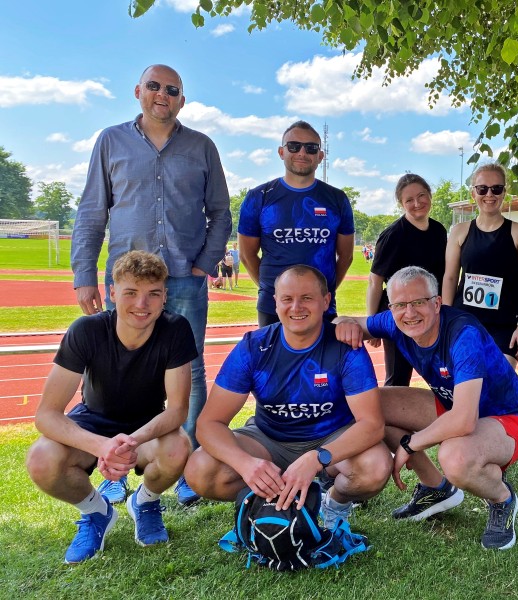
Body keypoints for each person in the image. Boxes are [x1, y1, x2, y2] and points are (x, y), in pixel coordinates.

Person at [71, 64, 232, 507]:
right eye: (155, 87)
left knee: (191, 371)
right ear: (139, 91)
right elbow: (91, 211)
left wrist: (204, 263)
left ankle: (184, 461)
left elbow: (221, 211)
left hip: (183, 277)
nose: (163, 94)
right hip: (124, 277)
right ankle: (113, 465)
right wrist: (84, 274)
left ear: (183, 98)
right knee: (112, 369)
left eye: (173, 89)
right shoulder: (110, 141)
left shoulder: (201, 147)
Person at [336, 266, 518, 551]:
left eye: (419, 302)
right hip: (455, 405)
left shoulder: (462, 334)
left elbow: (465, 421)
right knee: (374, 405)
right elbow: (350, 322)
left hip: (509, 418)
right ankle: (435, 488)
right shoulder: (396, 321)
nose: (410, 312)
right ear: (391, 307)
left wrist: (409, 445)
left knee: (455, 456)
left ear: (437, 302)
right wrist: (343, 322)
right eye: (400, 305)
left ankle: (501, 498)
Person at [185, 265, 391, 530]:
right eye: (287, 299)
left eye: (307, 298)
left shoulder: (345, 348)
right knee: (200, 469)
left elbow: (372, 425)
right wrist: (247, 465)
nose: (296, 307)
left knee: (376, 466)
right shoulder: (253, 346)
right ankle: (266, 500)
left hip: (331, 438)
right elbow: (208, 424)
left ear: (326, 301)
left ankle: (334, 502)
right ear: (276, 302)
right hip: (268, 439)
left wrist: (318, 458)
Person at [26, 251, 198, 564]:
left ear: (164, 297)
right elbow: (46, 415)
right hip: (92, 423)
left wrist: (131, 441)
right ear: (113, 293)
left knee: (177, 448)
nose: (141, 305)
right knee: (41, 459)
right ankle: (96, 511)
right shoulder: (86, 330)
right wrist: (104, 446)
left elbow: (177, 411)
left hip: (146, 427)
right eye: (131, 293)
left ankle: (145, 502)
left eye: (153, 295)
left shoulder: (176, 330)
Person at [238, 121, 355, 327]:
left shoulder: (337, 199)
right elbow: (247, 255)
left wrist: (325, 291)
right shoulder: (258, 197)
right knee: (273, 360)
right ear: (281, 152)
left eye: (311, 148)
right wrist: (273, 290)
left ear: (320, 156)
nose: (302, 152)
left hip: (322, 306)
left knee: (322, 360)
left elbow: (346, 256)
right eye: (294, 146)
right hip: (274, 307)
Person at [442, 163, 518, 368]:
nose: (489, 194)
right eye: (482, 189)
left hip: (504, 326)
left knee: (498, 389)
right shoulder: (459, 231)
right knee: (466, 388)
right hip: (464, 322)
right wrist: (445, 320)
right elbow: (450, 277)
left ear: (504, 192)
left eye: (496, 188)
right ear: (473, 192)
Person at [367, 174, 447, 386]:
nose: (417, 203)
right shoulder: (393, 235)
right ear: (401, 204)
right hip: (400, 314)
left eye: (421, 196)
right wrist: (372, 322)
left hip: (431, 312)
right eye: (409, 200)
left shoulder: (439, 231)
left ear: (430, 196)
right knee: (398, 377)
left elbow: (445, 275)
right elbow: (375, 281)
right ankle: (391, 419)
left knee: (442, 373)